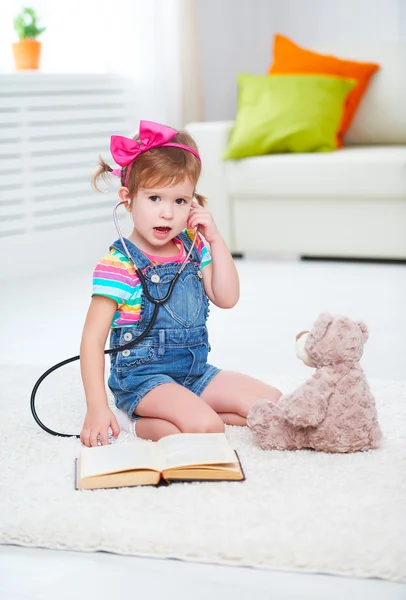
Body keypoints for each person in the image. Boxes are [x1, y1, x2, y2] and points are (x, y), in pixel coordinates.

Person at [80, 120, 282, 447]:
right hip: (142, 380)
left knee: (273, 404)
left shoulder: (192, 246)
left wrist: (215, 239)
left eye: (180, 201)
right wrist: (96, 407)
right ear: (127, 198)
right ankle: (134, 421)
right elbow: (92, 340)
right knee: (205, 427)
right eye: (155, 198)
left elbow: (227, 297)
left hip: (195, 373)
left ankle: (193, 410)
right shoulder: (117, 266)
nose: (167, 214)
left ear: (193, 203)